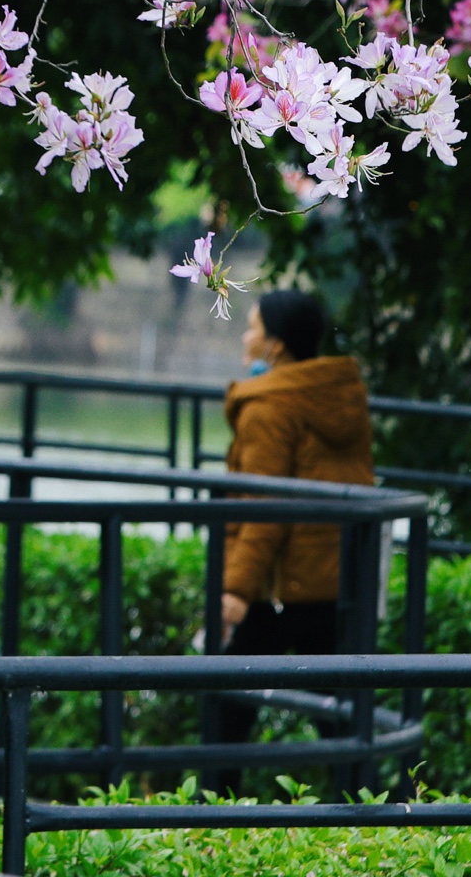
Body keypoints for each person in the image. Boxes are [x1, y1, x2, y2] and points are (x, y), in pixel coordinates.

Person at [200, 287, 374, 787]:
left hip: (285, 583)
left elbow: (263, 509)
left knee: (227, 697)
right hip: (334, 575)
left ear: (275, 346)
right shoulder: (337, 393)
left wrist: (235, 589)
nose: (245, 335)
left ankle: (213, 812)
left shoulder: (269, 407)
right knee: (338, 707)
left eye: (252, 326)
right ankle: (373, 810)